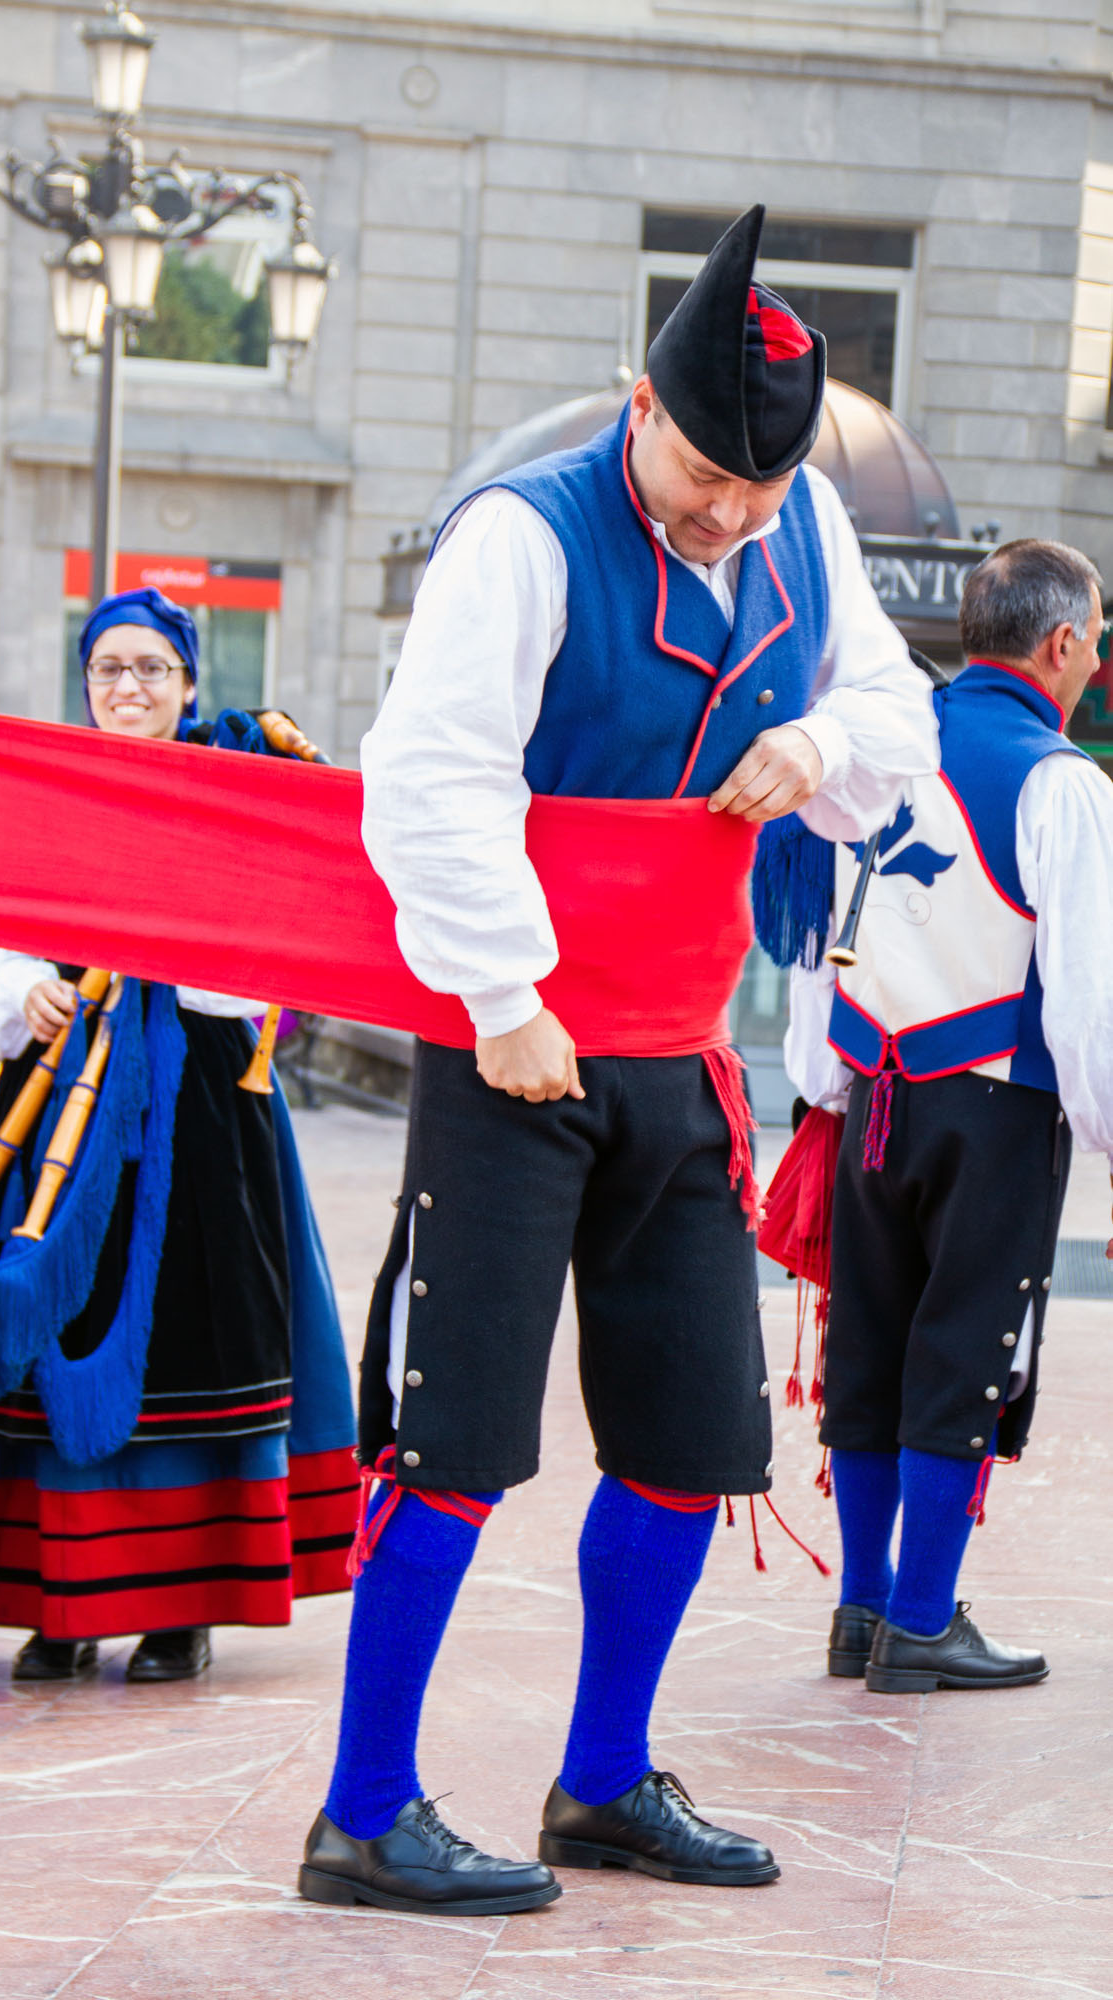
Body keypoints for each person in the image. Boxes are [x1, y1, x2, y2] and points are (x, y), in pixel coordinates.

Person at [295, 205, 939, 1918]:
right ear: (634, 405)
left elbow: (897, 719)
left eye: (756, 486)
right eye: (707, 475)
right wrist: (502, 996)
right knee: (452, 1452)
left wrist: (809, 738)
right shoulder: (522, 534)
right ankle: (362, 1810)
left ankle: (598, 1782)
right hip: (506, 1053)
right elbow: (426, 776)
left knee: (682, 1441)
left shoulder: (801, 527)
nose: (730, 512)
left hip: (677, 1051)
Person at [0, 586, 358, 1682]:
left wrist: (171, 954)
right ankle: (59, 1603)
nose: (130, 687)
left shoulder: (232, 786)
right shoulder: (49, 792)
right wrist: (25, 992)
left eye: (153, 668)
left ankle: (180, 1608)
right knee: (45, 1337)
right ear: (85, 683)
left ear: (190, 682)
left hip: (198, 1099)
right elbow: (5, 939)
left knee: (191, 1341)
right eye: (110, 668)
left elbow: (272, 952)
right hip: (58, 1103)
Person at [783, 538, 1113, 1693]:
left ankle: (860, 1609)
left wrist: (825, 1083)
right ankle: (919, 1619)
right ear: (1061, 641)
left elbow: (821, 941)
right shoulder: (1061, 779)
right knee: (963, 1348)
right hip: (996, 1104)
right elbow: (1088, 997)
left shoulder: (883, 749)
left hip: (873, 1089)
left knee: (868, 1341)